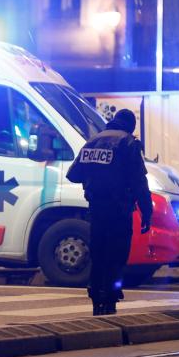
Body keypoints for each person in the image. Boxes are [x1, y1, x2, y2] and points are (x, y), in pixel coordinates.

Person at [66, 108, 153, 316]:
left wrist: (96, 175)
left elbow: (74, 174)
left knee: (99, 253)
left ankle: (96, 296)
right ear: (130, 126)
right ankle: (111, 297)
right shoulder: (128, 143)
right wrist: (146, 212)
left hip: (96, 209)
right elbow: (139, 182)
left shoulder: (93, 141)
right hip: (119, 210)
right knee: (117, 255)